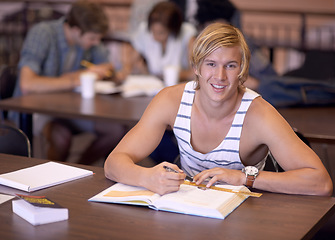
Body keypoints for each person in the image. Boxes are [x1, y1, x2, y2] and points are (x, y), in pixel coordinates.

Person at [104, 22, 333, 196]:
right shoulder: (169, 100)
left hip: (249, 210)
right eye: (211, 64)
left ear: (242, 69)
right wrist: (147, 176)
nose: (220, 77)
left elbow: (321, 183)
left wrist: (242, 178)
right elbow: (113, 163)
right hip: (190, 206)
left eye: (230, 66)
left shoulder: (259, 114)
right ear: (195, 67)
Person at [16, 0, 126, 164]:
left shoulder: (87, 39)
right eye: (92, 38)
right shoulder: (43, 33)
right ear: (75, 30)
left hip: (70, 109)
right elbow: (27, 84)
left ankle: (81, 168)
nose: (96, 42)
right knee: (61, 137)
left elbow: (108, 66)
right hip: (37, 109)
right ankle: (55, 181)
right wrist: (76, 79)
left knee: (116, 131)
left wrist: (108, 70)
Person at [121, 1, 197, 82]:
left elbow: (193, 74)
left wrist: (168, 75)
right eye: (153, 32)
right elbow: (129, 66)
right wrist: (131, 69)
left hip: (178, 87)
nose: (155, 37)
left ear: (173, 30)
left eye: (161, 33)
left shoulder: (187, 34)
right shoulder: (144, 30)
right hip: (152, 87)